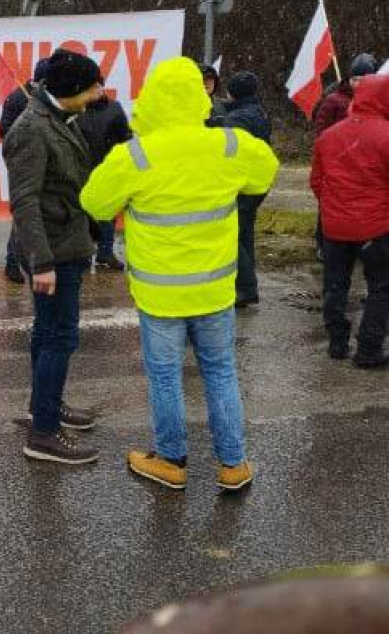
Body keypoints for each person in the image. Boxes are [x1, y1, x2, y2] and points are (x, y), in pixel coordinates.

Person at [81, 57, 279, 492]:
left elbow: (94, 203)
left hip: (160, 296)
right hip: (214, 291)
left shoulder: (135, 155)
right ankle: (233, 464)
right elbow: (265, 172)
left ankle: (171, 460)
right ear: (199, 97)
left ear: (151, 99)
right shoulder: (229, 145)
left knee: (166, 377)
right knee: (221, 372)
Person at [3, 48, 104, 465]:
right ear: (73, 89)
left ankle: (43, 405)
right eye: (94, 85)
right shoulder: (33, 128)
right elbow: (24, 200)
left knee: (48, 332)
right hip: (53, 251)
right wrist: (41, 261)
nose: (100, 91)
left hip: (65, 242)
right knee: (60, 335)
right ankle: (43, 434)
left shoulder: (59, 118)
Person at [310, 73, 389, 368]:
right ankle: (369, 347)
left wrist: (335, 206)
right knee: (381, 287)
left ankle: (337, 342)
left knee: (335, 284)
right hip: (377, 226)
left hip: (336, 226)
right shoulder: (386, 134)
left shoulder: (329, 136)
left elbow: (317, 182)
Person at [221, 71, 272, 308]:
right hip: (256, 181)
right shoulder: (258, 112)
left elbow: (230, 153)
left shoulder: (236, 119)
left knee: (232, 235)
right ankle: (245, 284)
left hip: (240, 183)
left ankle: (246, 287)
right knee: (244, 233)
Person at [0, 58, 51, 285]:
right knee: (24, 212)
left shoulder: (50, 97)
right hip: (24, 165)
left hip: (48, 164)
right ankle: (13, 262)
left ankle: (40, 259)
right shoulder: (18, 97)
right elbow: (4, 130)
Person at [76, 94, 132, 271]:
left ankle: (106, 252)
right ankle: (84, 253)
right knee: (83, 214)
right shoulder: (76, 109)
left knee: (109, 213)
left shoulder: (114, 108)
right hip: (82, 170)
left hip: (108, 169)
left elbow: (126, 137)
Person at [314, 53, 379, 134]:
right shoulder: (333, 100)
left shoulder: (378, 101)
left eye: (362, 80)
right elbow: (322, 129)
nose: (357, 84)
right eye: (354, 79)